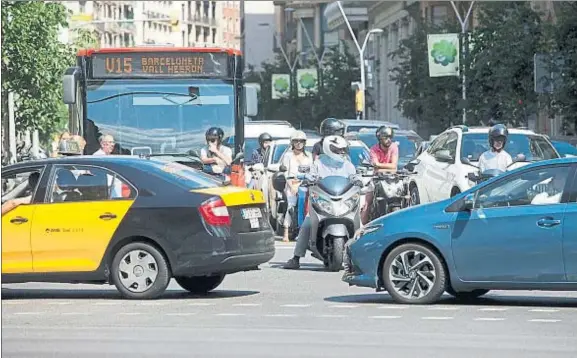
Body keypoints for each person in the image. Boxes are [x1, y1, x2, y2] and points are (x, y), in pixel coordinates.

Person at [283, 135, 358, 270]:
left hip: (343, 201)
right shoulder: (318, 163)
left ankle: (362, 259)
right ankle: (296, 258)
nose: (341, 152)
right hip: (323, 201)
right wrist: (306, 178)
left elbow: (354, 177)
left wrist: (360, 179)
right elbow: (310, 176)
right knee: (307, 224)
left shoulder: (348, 164)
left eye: (342, 149)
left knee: (361, 226)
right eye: (337, 149)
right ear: (328, 149)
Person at [280, 130, 313, 242]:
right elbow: (286, 173)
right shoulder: (288, 156)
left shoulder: (309, 156)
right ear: (292, 142)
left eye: (301, 141)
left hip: (306, 185)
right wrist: (292, 186)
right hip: (292, 184)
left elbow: (313, 171)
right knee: (291, 205)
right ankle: (286, 232)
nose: (299, 143)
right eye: (296, 141)